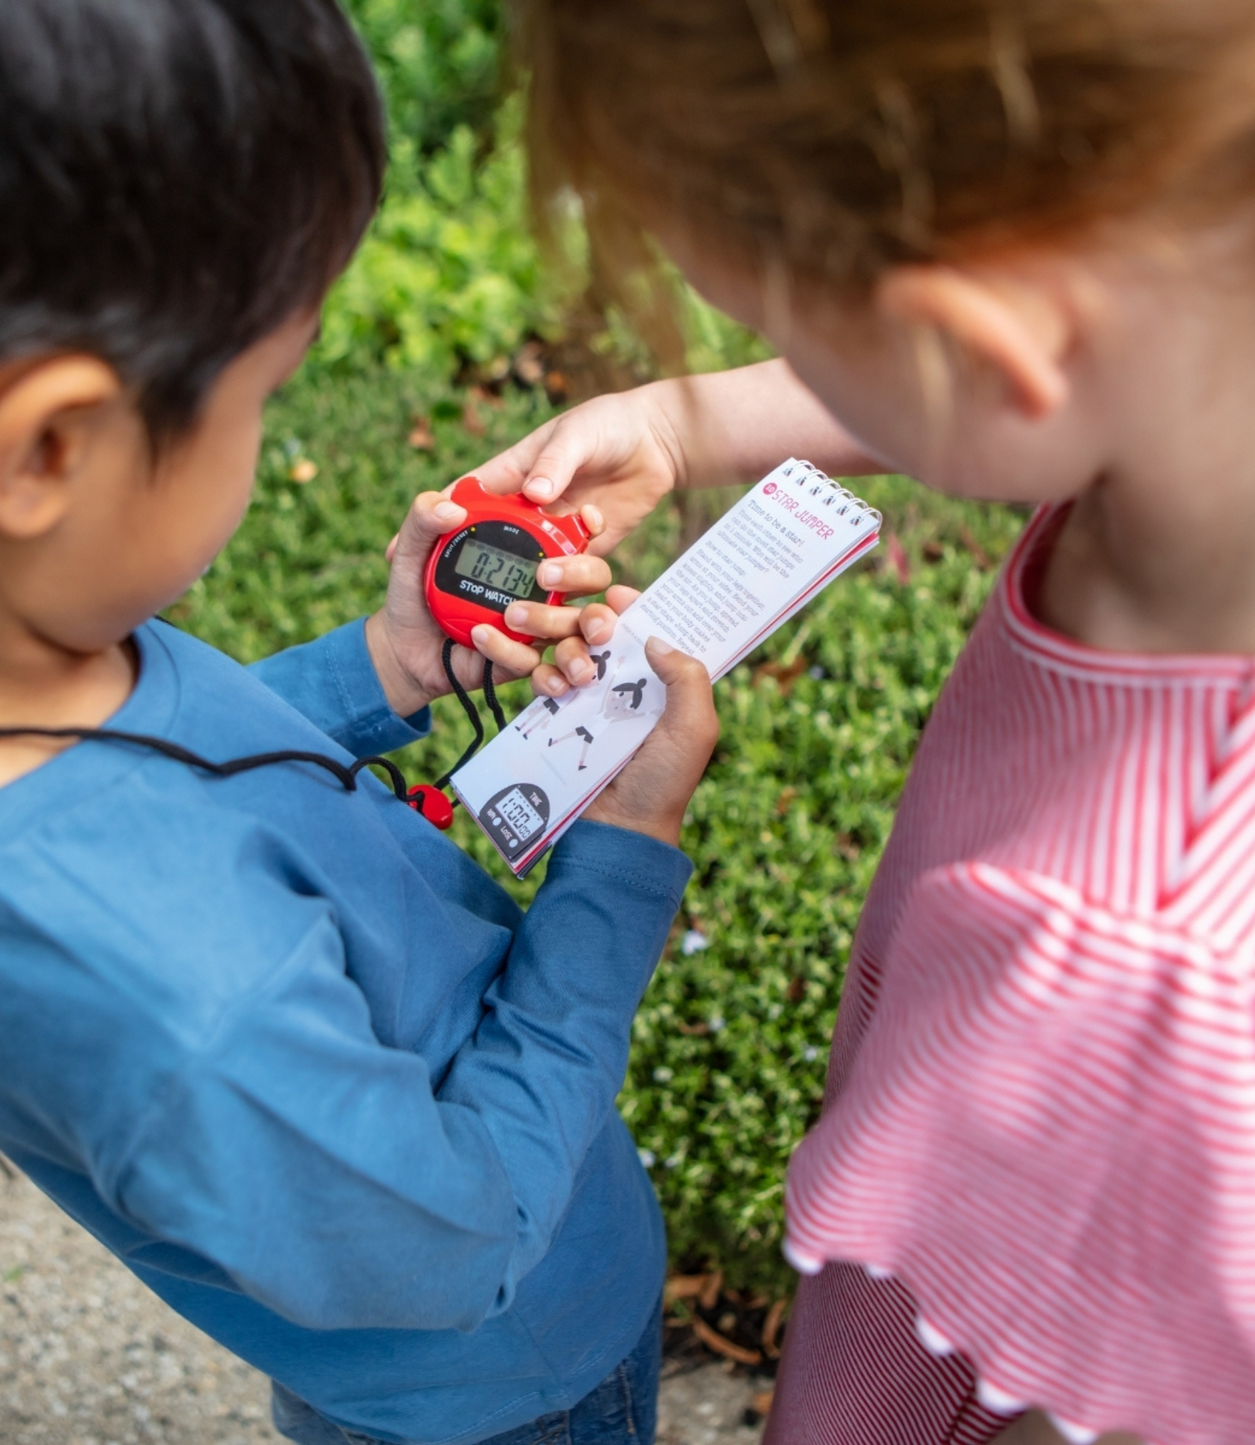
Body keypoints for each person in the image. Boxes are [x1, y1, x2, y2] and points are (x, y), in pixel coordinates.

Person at [0, 4, 721, 1445]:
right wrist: (620, 857)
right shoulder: (192, 1016)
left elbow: (169, 780)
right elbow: (461, 1236)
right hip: (507, 1377)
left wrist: (378, 666)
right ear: (44, 452)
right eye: (262, 393)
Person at [483, 2, 1255, 1442]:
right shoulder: (1203, 355)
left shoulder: (1148, 983)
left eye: (796, 334)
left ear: (982, 344)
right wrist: (692, 423)